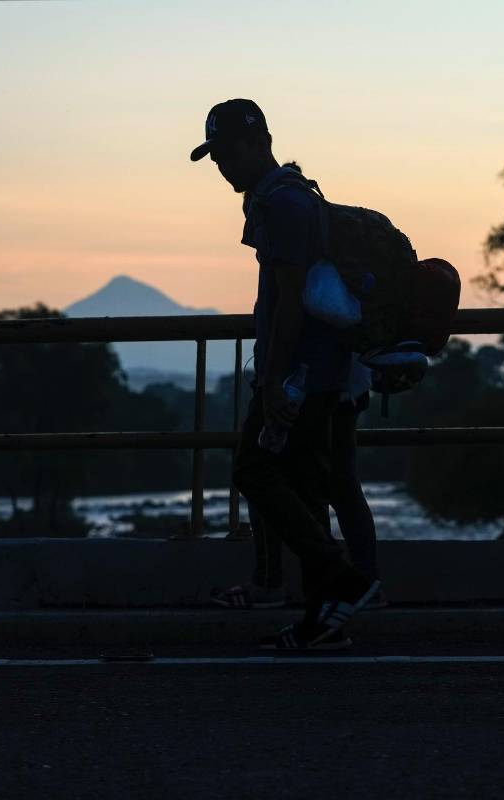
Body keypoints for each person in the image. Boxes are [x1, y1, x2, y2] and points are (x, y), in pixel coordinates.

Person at [190, 99, 379, 650]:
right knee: (304, 485)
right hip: (313, 371)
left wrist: (272, 380)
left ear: (259, 143)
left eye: (227, 153)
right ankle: (324, 620)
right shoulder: (286, 197)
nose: (222, 166)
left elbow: (291, 301)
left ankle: (344, 578)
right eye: (215, 157)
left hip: (300, 376)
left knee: (255, 470)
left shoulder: (284, 206)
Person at [213, 358, 385, 610]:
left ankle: (274, 582)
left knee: (262, 472)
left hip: (299, 382)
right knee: (338, 484)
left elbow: (287, 322)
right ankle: (361, 585)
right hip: (345, 381)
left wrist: (270, 381)